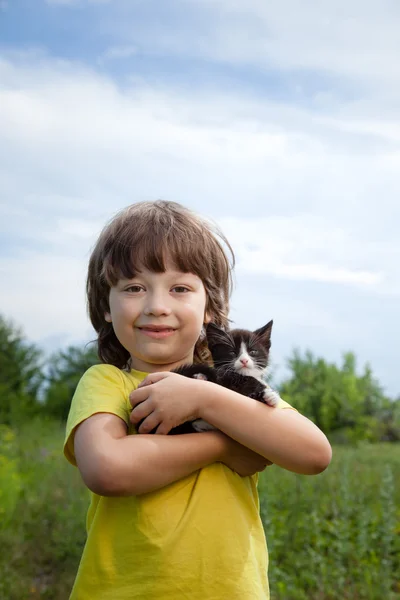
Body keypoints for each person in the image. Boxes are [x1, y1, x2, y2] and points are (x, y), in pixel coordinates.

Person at [64, 200, 332, 600]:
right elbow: (108, 470)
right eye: (134, 287)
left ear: (209, 307)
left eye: (180, 288)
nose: (157, 306)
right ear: (106, 305)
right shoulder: (106, 382)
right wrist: (225, 443)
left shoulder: (232, 388)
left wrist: (204, 398)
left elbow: (314, 454)